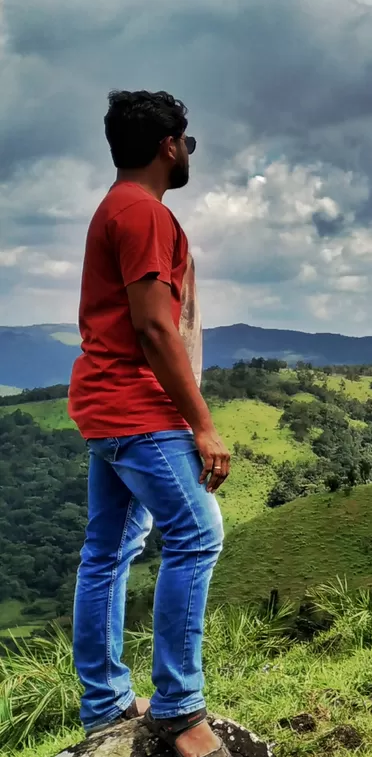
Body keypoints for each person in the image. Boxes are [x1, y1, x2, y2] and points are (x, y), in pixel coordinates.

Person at [68, 90, 232, 757]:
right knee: (197, 533)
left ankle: (106, 701)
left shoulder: (118, 207)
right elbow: (152, 325)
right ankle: (178, 706)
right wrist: (203, 423)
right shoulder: (143, 213)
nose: (187, 153)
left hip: (104, 408)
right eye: (186, 143)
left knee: (106, 552)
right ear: (168, 145)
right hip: (138, 408)